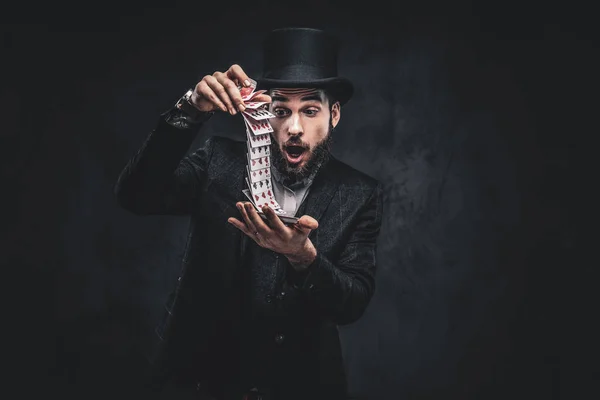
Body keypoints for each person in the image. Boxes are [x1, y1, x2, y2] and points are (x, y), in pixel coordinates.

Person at [114, 27, 384, 400]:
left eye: (309, 110)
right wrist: (189, 110)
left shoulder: (360, 194)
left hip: (302, 386)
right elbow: (135, 196)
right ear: (261, 110)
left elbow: (353, 301)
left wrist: (303, 257)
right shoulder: (217, 161)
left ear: (333, 114)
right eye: (280, 110)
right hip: (203, 383)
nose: (293, 128)